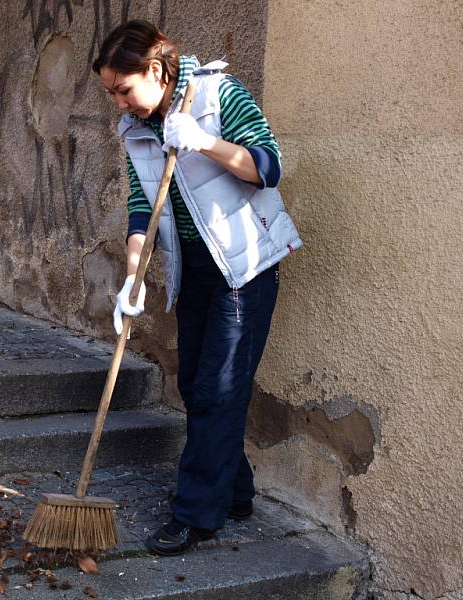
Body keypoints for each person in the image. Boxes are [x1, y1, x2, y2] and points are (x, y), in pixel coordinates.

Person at [92, 20, 302, 556]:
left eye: (124, 89)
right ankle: (235, 491)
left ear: (156, 71)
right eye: (112, 93)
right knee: (195, 384)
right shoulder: (135, 128)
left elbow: (267, 167)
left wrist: (204, 141)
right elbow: (144, 206)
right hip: (196, 270)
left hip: (245, 265)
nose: (120, 103)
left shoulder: (218, 94)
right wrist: (133, 278)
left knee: (218, 390)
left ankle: (195, 515)